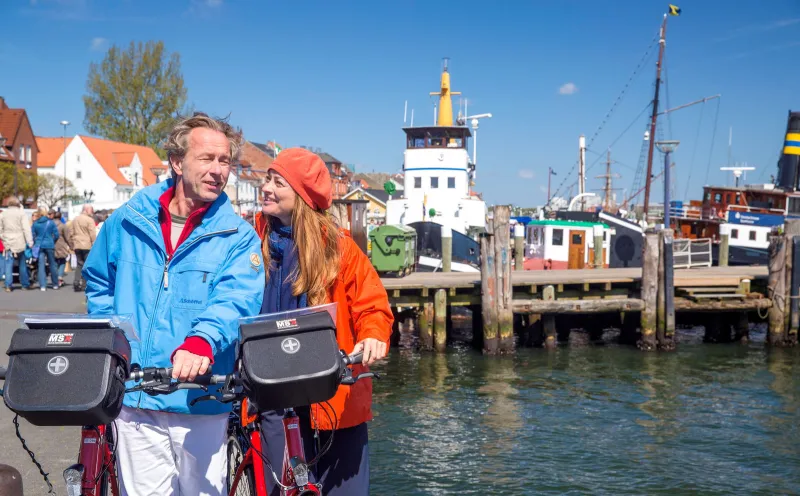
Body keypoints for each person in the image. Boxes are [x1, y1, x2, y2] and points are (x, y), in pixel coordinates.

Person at [82, 113, 266, 495]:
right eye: (207, 159)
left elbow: (238, 299)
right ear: (178, 163)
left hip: (200, 397)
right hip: (136, 394)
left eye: (225, 161)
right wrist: (110, 340)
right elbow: (99, 280)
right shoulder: (128, 220)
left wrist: (202, 341)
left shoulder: (239, 237)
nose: (218, 170)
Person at [254, 147, 393, 496]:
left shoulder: (340, 250)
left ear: (301, 196)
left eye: (278, 182)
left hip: (331, 397)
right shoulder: (252, 243)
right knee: (279, 488)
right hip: (272, 393)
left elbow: (373, 305)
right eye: (267, 179)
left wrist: (373, 336)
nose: (266, 187)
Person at [0, 197, 33, 292]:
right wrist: (30, 241)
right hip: (20, 240)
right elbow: (26, 229)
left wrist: (3, 237)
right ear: (18, 204)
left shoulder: (3, 214)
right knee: (22, 263)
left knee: (8, 263)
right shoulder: (21, 214)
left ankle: (8, 285)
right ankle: (24, 284)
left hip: (8, 241)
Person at [31, 207, 60, 291]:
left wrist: (36, 241)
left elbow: (33, 235)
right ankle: (55, 284)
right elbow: (56, 234)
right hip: (49, 244)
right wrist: (52, 241)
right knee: (52, 264)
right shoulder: (51, 223)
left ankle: (42, 285)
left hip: (39, 245)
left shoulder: (35, 223)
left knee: (41, 265)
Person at [69, 204, 96, 291]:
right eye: (91, 210)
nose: (92, 212)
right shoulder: (89, 220)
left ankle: (76, 282)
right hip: (87, 245)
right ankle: (84, 284)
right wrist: (94, 244)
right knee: (86, 265)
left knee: (79, 264)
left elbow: (71, 231)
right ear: (87, 210)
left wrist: (72, 243)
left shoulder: (75, 219)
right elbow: (92, 233)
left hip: (77, 244)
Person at [53, 210, 72, 287]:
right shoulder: (63, 226)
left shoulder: (50, 224)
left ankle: (55, 276)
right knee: (62, 261)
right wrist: (71, 245)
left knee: (54, 262)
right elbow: (67, 237)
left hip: (52, 245)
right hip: (61, 245)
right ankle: (59, 276)